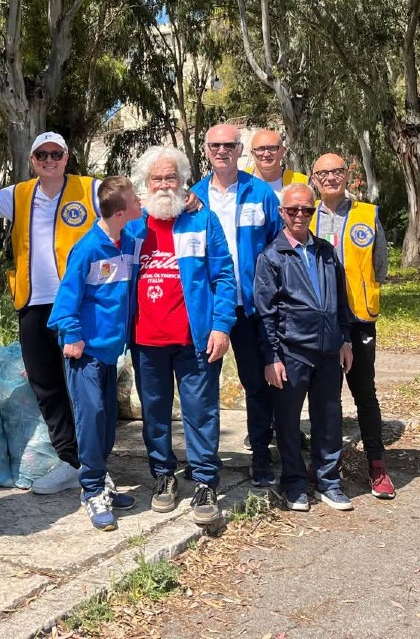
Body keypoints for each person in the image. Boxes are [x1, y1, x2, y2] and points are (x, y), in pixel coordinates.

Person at [126, 146, 237, 527]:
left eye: (169, 177)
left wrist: (222, 326)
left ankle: (205, 480)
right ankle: (163, 475)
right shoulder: (132, 224)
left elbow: (224, 276)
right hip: (145, 340)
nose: (162, 185)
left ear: (182, 180)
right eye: (156, 178)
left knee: (200, 412)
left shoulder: (201, 219)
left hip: (196, 338)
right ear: (146, 183)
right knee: (154, 414)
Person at [0, 132, 100, 495]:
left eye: (56, 154)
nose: (49, 160)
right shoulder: (18, 195)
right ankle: (71, 460)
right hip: (33, 305)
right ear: (32, 160)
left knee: (86, 386)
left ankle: (96, 462)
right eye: (41, 155)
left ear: (67, 157)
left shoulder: (91, 190)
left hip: (79, 305)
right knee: (46, 386)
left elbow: (132, 207)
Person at [47, 176, 142, 530]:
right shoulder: (87, 249)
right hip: (84, 352)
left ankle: (101, 478)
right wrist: (71, 333)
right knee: (90, 419)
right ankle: (91, 490)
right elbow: (66, 298)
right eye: (135, 201)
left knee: (106, 423)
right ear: (120, 212)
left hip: (110, 351)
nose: (141, 204)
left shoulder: (128, 240)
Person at [190, 124, 283, 489]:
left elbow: (279, 246)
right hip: (207, 310)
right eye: (215, 145)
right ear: (206, 149)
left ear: (240, 149)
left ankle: (261, 456)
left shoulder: (260, 193)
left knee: (256, 385)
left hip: (250, 309)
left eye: (229, 145)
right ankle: (203, 462)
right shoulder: (193, 196)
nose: (222, 151)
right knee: (201, 388)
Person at [254, 182, 354, 513]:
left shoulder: (326, 252)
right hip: (291, 353)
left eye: (307, 210)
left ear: (314, 212)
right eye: (293, 209)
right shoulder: (272, 256)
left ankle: (329, 482)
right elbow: (265, 314)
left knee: (329, 418)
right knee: (287, 422)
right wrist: (271, 358)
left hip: (327, 352)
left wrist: (346, 339)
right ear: (282, 213)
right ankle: (294, 483)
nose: (300, 215)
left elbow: (341, 302)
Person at [310, 152, 395, 499]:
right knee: (325, 397)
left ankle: (376, 463)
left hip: (359, 321)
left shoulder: (367, 214)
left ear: (348, 175)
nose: (330, 178)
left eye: (337, 171)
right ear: (313, 178)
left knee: (364, 392)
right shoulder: (306, 215)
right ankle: (326, 468)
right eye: (323, 173)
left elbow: (381, 266)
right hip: (319, 321)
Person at [247, 129, 308, 202]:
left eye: (272, 148)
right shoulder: (239, 181)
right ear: (252, 153)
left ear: (283, 151)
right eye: (261, 149)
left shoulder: (301, 182)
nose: (266, 154)